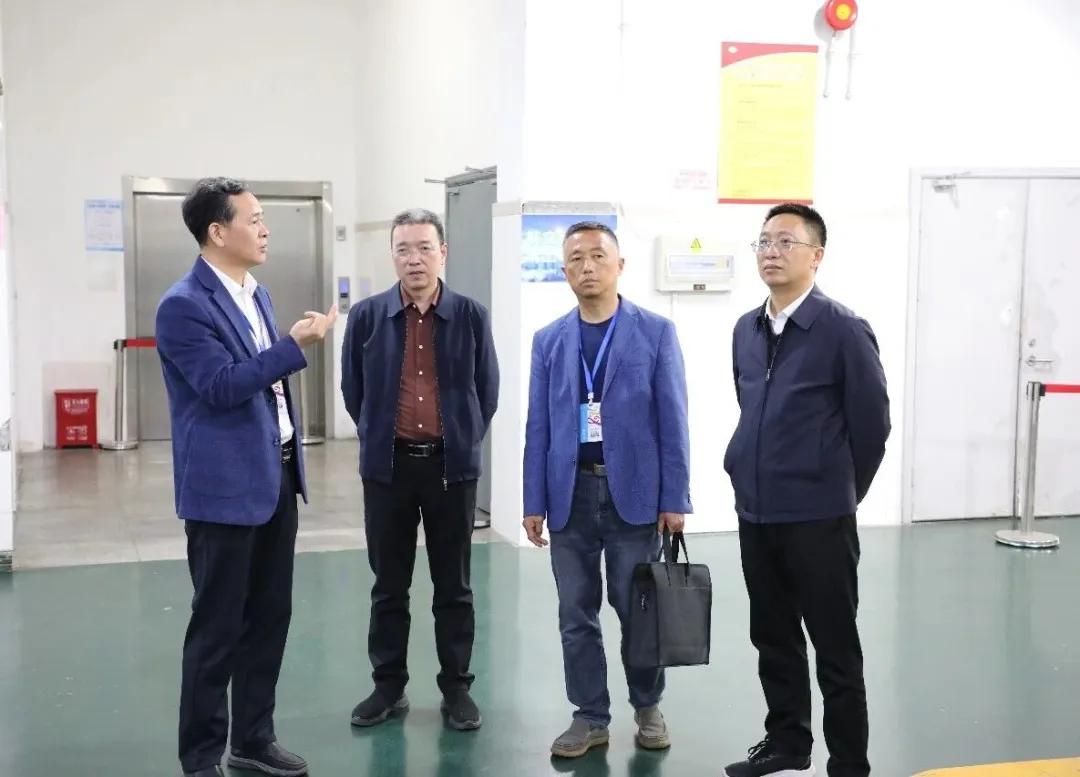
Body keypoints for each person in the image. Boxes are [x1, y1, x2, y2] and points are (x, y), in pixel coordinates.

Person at [157, 177, 337, 777]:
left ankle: (253, 739)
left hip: (275, 477)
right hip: (223, 491)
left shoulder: (256, 294)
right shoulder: (183, 305)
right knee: (217, 629)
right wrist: (293, 346)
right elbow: (219, 386)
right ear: (217, 231)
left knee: (268, 618)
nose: (265, 230)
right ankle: (201, 758)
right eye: (253, 219)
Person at [722, 203, 890, 777]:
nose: (771, 251)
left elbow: (872, 426)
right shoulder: (746, 329)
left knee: (835, 645)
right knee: (772, 637)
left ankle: (848, 762)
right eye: (764, 241)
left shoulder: (842, 329)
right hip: (756, 512)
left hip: (819, 518)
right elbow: (750, 407)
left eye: (785, 242)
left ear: (816, 256)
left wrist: (838, 491)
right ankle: (787, 743)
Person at [522, 221, 691, 758]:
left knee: (637, 610)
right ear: (564, 270)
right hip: (569, 495)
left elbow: (674, 420)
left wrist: (675, 498)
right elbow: (538, 426)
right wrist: (532, 501)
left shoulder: (655, 332)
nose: (587, 267)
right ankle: (590, 715)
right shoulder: (549, 340)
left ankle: (648, 706)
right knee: (576, 614)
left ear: (620, 265)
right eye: (576, 259)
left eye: (598, 256)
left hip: (634, 498)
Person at [340, 208, 499, 731]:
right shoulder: (367, 317)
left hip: (451, 471)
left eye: (425, 248)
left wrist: (462, 437)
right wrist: (380, 434)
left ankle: (457, 688)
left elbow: (486, 391)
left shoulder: (470, 315)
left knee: (454, 587)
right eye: (404, 249)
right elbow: (354, 392)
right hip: (388, 470)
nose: (415, 259)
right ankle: (388, 686)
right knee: (389, 585)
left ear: (442, 253)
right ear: (392, 256)